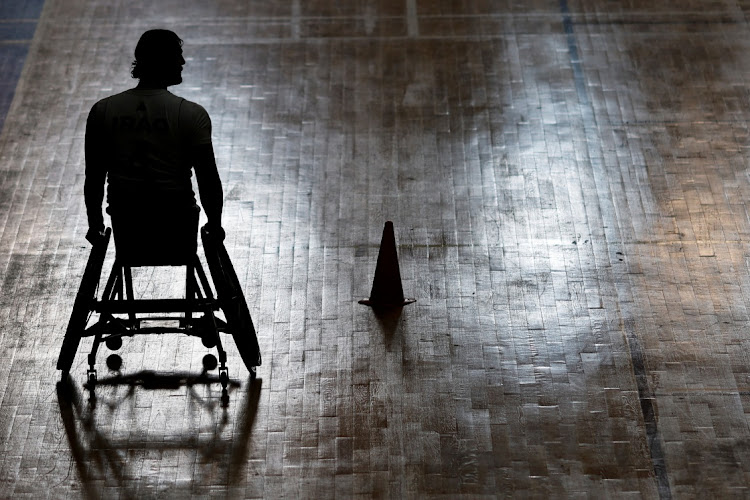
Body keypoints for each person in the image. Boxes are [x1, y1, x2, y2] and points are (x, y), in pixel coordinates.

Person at [84, 29, 224, 256]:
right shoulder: (190, 113)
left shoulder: (102, 110)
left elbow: (95, 177)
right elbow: (207, 178)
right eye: (177, 55)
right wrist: (214, 226)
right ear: (162, 60)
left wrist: (96, 225)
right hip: (178, 223)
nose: (183, 62)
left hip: (127, 225)